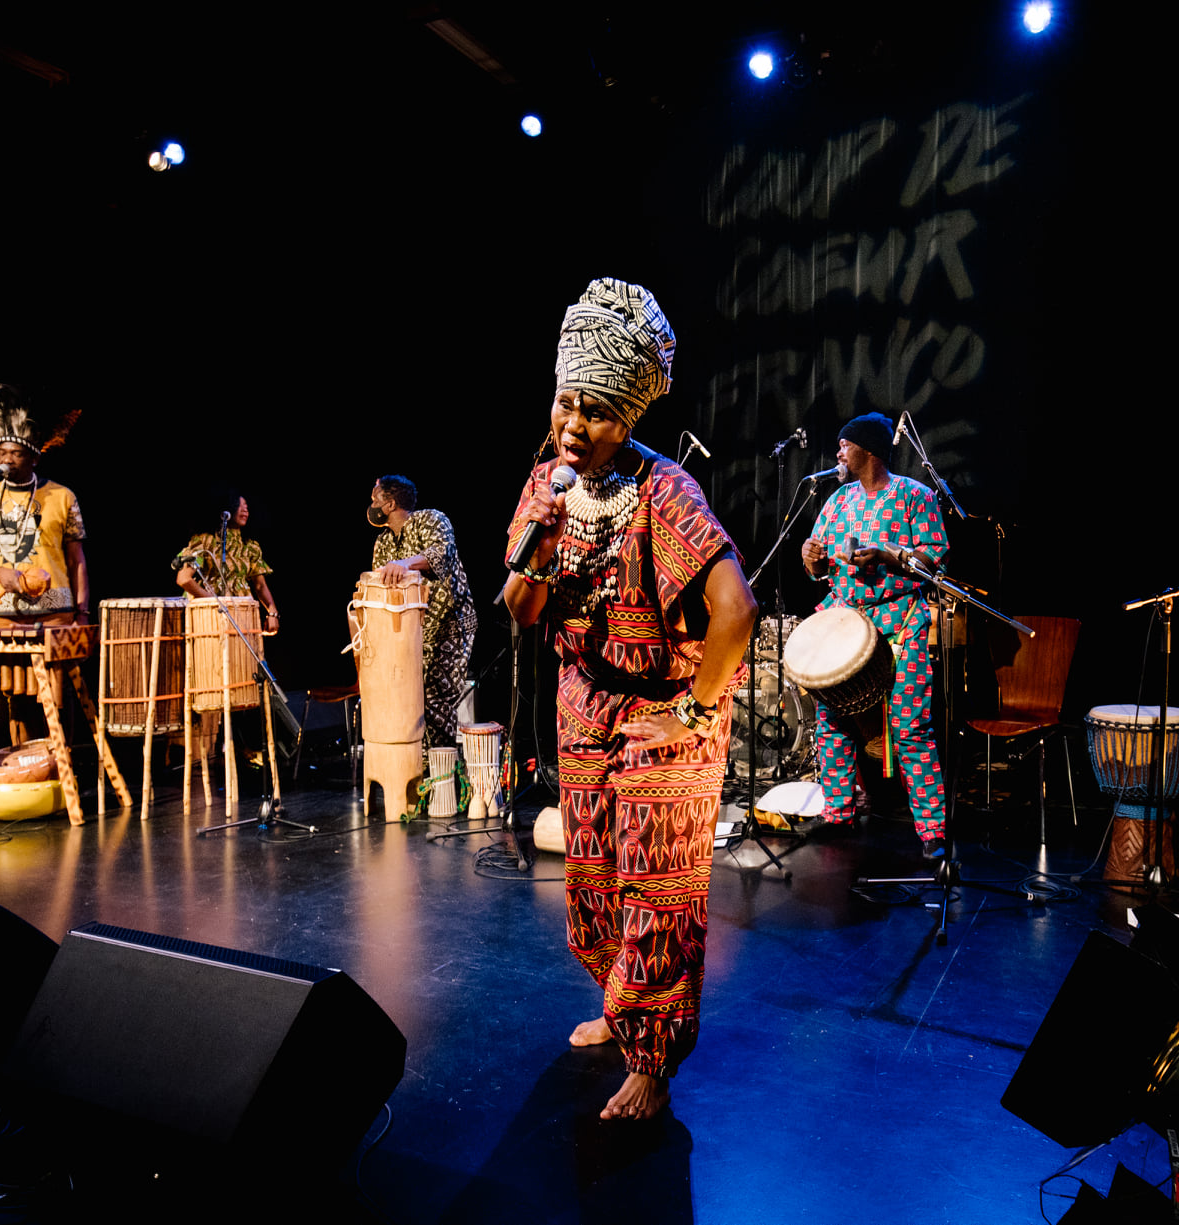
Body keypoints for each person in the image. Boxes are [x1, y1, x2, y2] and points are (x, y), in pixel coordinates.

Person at [502, 278, 756, 1122]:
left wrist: (694, 707)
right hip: (585, 699)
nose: (575, 424)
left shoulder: (666, 491)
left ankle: (654, 1058)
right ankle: (620, 1008)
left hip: (665, 711)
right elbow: (519, 608)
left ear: (630, 419)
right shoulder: (547, 482)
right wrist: (543, 526)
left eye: (599, 412)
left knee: (658, 890)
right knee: (592, 885)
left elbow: (736, 612)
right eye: (567, 403)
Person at [799, 412, 950, 858]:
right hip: (844, 625)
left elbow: (932, 561)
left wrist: (886, 556)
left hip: (900, 623)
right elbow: (817, 564)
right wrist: (811, 557)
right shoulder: (838, 500)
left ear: (868, 450)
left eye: (845, 445)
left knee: (909, 728)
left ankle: (933, 831)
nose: (839, 453)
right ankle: (840, 813)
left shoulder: (913, 496)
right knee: (832, 721)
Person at [0, 384, 89, 628]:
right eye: (2, 452)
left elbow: (77, 561)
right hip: (3, 615)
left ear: (34, 459)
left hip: (55, 615)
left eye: (17, 453)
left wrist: (82, 614)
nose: (7, 459)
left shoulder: (63, 497)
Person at [367, 475, 475, 749]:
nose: (371, 504)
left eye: (374, 498)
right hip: (409, 632)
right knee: (408, 697)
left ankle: (442, 776)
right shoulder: (383, 543)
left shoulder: (431, 519)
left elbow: (442, 554)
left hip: (450, 622)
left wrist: (404, 564)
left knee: (435, 696)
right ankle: (420, 772)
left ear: (389, 504)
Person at [172, 490, 281, 633]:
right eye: (239, 505)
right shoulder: (205, 541)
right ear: (226, 507)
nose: (245, 509)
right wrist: (213, 600)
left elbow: (260, 586)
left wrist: (272, 611)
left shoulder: (250, 546)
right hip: (208, 616)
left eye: (247, 506)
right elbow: (184, 579)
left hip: (243, 616)